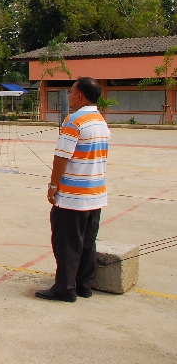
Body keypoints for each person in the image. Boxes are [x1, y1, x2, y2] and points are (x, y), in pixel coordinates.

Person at [36, 77, 109, 303]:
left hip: (73, 197)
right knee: (87, 242)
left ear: (79, 95)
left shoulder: (74, 120)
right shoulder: (101, 121)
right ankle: (84, 285)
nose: (69, 96)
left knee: (67, 244)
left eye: (71, 92)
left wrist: (53, 185)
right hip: (95, 194)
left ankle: (65, 288)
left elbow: (61, 157)